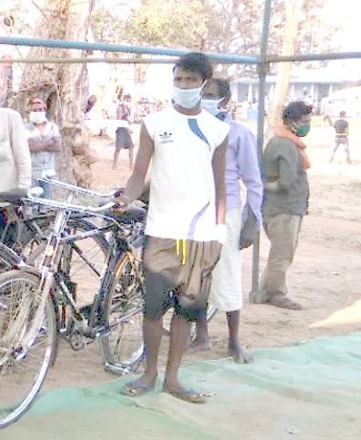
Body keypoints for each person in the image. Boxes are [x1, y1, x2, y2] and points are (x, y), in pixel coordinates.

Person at [114, 52, 229, 403]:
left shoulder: (217, 130)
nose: (184, 86)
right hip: (162, 229)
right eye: (179, 79)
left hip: (201, 234)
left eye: (191, 80)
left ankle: (173, 378)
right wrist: (127, 197)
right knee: (152, 306)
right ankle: (149, 373)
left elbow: (220, 184)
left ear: (204, 84)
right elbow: (139, 174)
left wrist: (220, 229)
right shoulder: (154, 124)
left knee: (187, 307)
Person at [191, 79, 263, 364]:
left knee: (228, 273)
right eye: (201, 94)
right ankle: (202, 335)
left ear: (224, 100)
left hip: (225, 212)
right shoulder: (191, 128)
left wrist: (252, 220)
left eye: (209, 95)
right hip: (193, 211)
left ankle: (234, 341)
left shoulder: (239, 135)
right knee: (196, 275)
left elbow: (254, 181)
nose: (203, 99)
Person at [254, 101, 313, 310]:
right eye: (304, 121)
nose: (307, 125)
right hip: (284, 208)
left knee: (280, 253)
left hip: (281, 207)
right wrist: (266, 186)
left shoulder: (283, 142)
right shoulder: (286, 145)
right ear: (291, 121)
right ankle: (277, 294)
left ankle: (263, 292)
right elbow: (286, 182)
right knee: (282, 254)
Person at [25, 96, 61, 198]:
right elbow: (31, 147)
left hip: (49, 172)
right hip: (32, 173)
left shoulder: (53, 127)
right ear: (30, 111)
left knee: (47, 202)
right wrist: (49, 142)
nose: (38, 112)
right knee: (33, 202)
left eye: (40, 109)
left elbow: (57, 147)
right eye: (35, 110)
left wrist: (39, 145)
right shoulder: (26, 128)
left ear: (44, 109)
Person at [113, 94, 134, 169]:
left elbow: (129, 120)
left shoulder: (128, 108)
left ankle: (131, 165)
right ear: (124, 99)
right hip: (121, 129)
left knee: (131, 147)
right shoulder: (120, 107)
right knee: (118, 148)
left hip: (126, 129)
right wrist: (128, 128)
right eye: (127, 100)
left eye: (129, 100)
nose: (128, 102)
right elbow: (119, 119)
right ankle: (114, 164)